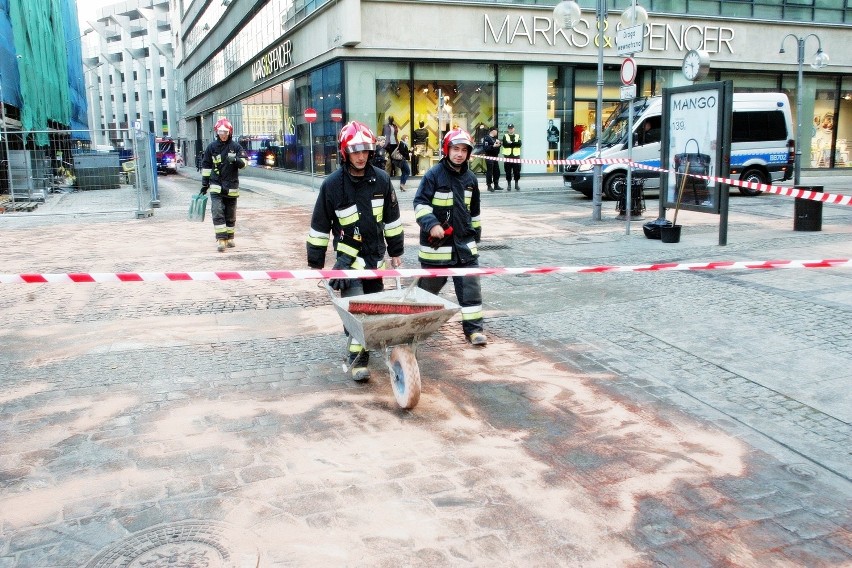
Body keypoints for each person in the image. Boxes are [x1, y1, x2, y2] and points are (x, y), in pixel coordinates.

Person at [307, 121, 404, 382]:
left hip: (374, 259)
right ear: (345, 152)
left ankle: (358, 341)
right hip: (348, 261)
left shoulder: (382, 180)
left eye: (365, 150)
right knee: (358, 309)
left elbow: (392, 219)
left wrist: (396, 251)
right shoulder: (332, 185)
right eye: (355, 151)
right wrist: (316, 261)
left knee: (372, 307)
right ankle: (358, 359)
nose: (361, 156)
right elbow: (320, 224)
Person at [413, 128, 486, 347]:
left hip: (465, 249)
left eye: (464, 150)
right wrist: (432, 224)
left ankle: (474, 331)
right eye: (455, 149)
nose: (459, 154)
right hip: (437, 250)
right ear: (447, 150)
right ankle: (412, 330)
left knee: (471, 293)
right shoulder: (433, 175)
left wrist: (475, 237)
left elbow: (474, 212)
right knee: (425, 295)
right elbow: (420, 204)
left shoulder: (471, 179)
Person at [200, 118, 248, 252]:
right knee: (217, 211)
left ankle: (230, 237)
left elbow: (245, 164)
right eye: (220, 131)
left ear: (230, 132)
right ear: (217, 131)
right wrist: (205, 184)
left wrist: (236, 160)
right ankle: (221, 239)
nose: (223, 134)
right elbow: (206, 165)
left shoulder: (236, 147)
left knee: (230, 213)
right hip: (216, 185)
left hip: (231, 187)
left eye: (225, 132)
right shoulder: (211, 147)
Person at [501, 123, 522, 191]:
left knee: (517, 171)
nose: (510, 129)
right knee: (508, 172)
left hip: (516, 157)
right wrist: (514, 143)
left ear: (514, 129)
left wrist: (511, 143)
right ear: (508, 129)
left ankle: (516, 184)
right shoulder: (505, 136)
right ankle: (509, 185)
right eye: (509, 128)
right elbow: (505, 145)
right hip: (508, 157)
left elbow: (519, 144)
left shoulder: (517, 135)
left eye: (512, 128)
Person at [482, 126, 502, 192]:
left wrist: (499, 144)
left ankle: (496, 185)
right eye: (497, 131)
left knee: (497, 171)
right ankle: (489, 186)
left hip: (495, 157)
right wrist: (493, 146)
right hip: (489, 157)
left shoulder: (495, 139)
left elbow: (497, 147)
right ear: (493, 131)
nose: (497, 132)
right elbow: (485, 148)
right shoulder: (487, 138)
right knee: (490, 171)